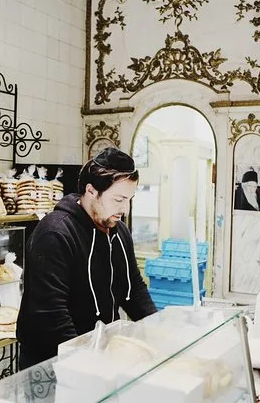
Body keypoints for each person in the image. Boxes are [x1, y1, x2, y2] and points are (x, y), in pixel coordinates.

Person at [17, 147, 157, 369]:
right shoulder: (54, 233)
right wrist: (85, 366)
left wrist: (156, 334)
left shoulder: (119, 232)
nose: (125, 209)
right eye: (118, 199)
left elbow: (134, 290)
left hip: (97, 357)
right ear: (91, 191)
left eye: (129, 199)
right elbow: (51, 314)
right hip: (51, 363)